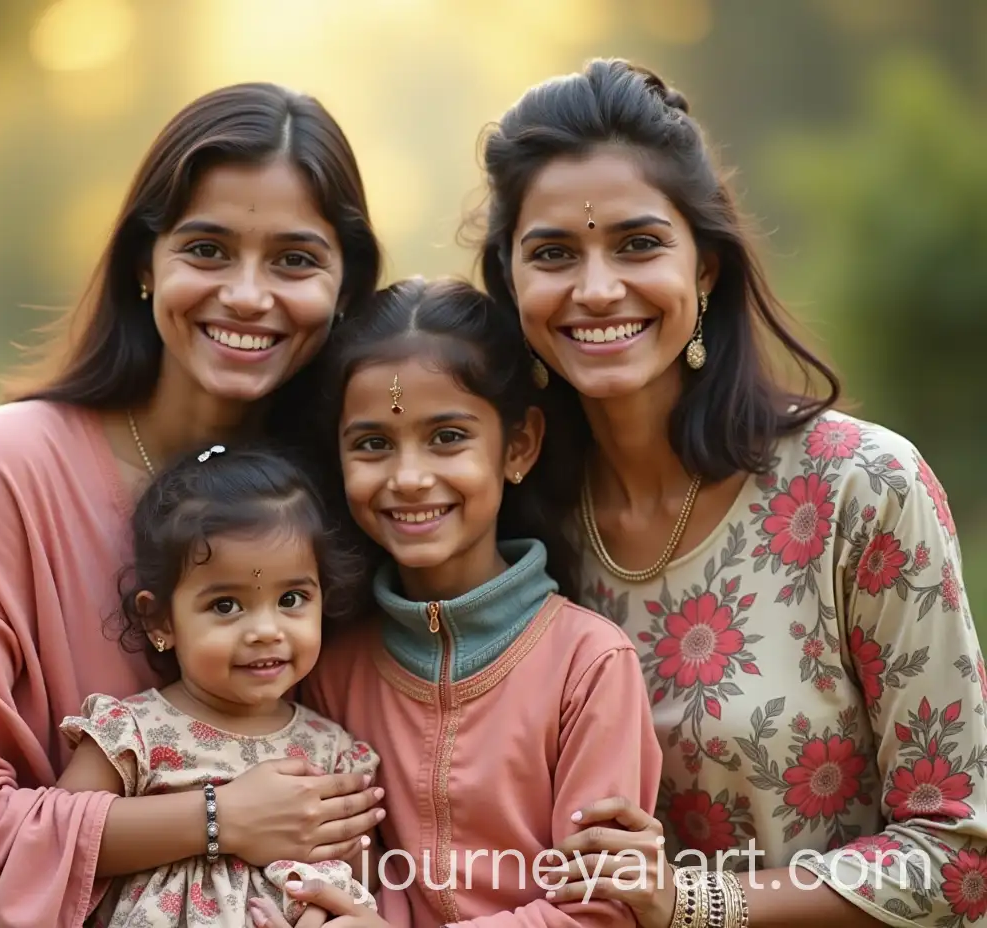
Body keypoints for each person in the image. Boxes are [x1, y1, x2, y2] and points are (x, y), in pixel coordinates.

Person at [0, 82, 386, 928]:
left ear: (345, 289)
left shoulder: (341, 499)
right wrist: (219, 818)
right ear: (143, 267)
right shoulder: (3, 471)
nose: (248, 295)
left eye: (295, 260)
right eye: (207, 249)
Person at [473, 57, 987, 928]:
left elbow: (959, 855)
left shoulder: (859, 491)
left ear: (705, 268)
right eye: (553, 253)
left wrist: (693, 902)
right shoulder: (510, 524)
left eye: (637, 244)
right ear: (511, 282)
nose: (597, 289)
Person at [251, 277, 664, 928]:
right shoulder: (327, 663)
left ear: (519, 446)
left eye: (447, 437)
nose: (409, 478)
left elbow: (602, 908)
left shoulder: (587, 664)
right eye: (372, 444)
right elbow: (325, 866)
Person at [55, 444, 381, 928]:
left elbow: (359, 878)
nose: (266, 631)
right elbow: (61, 843)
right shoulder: (132, 734)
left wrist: (320, 911)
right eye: (226, 605)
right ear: (159, 619)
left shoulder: (330, 753)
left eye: (291, 598)